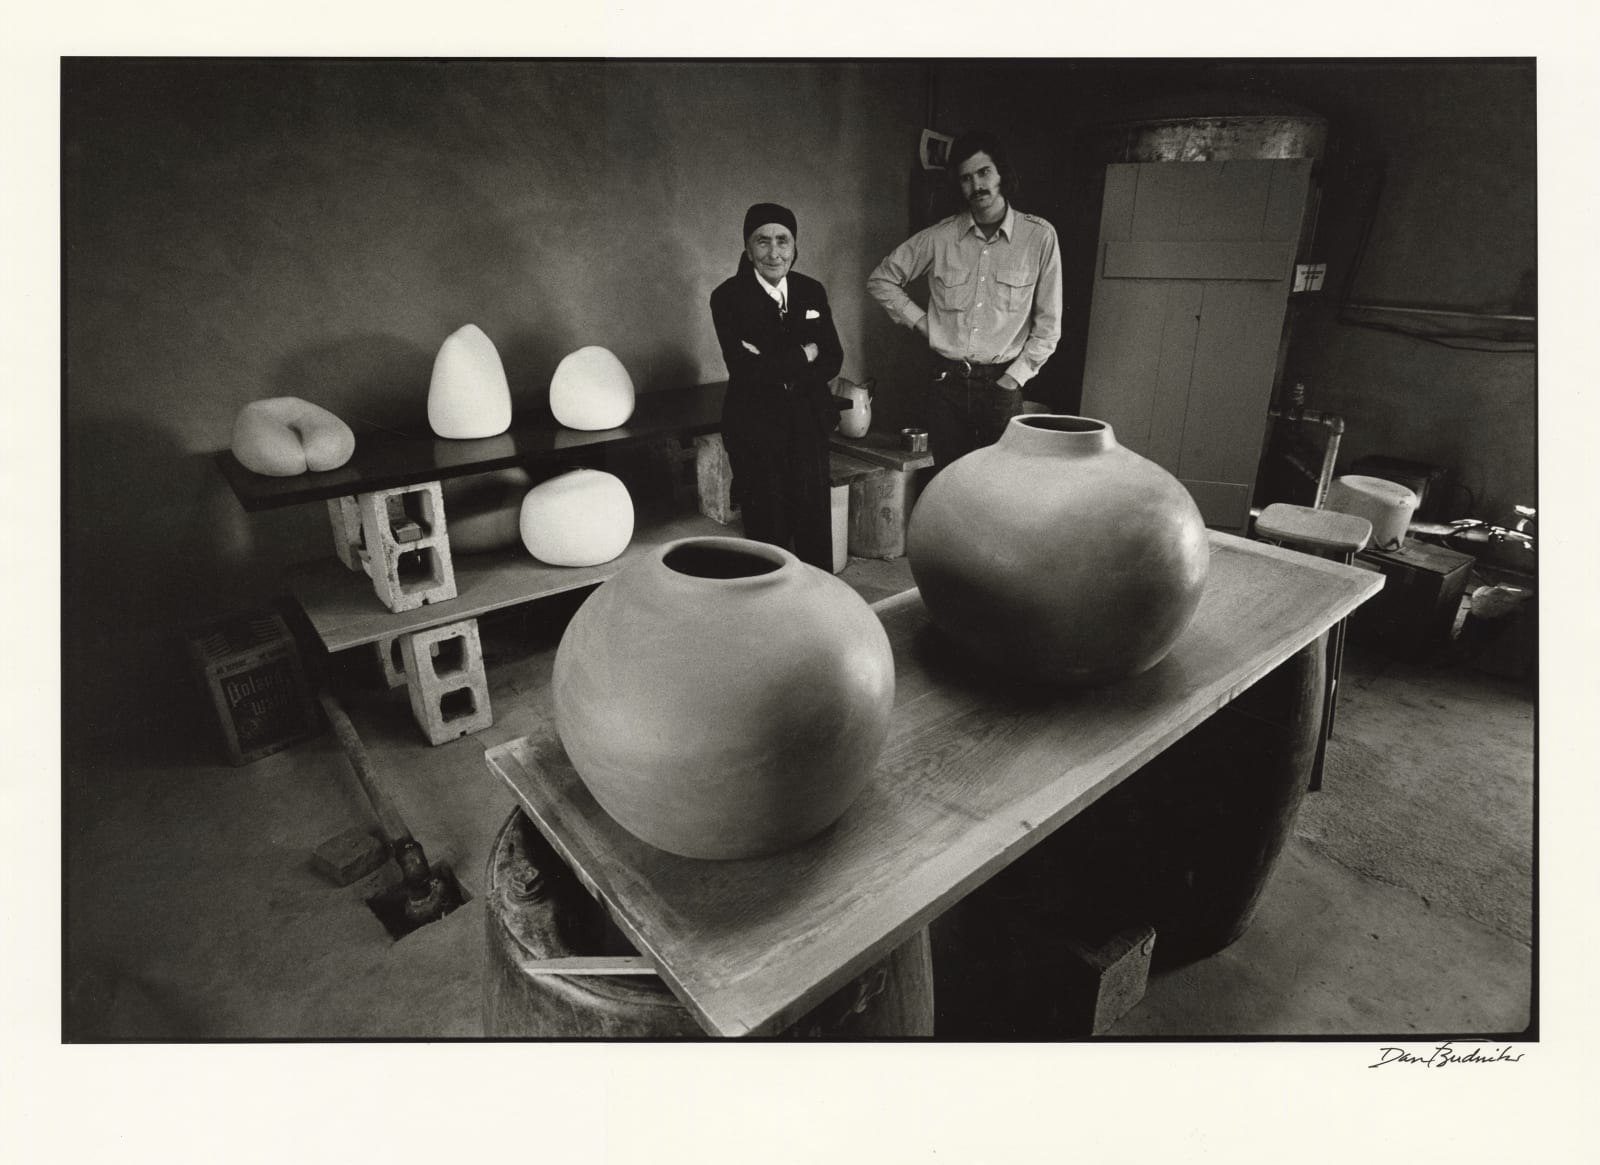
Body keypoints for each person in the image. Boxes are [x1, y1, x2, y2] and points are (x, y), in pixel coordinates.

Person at [867, 130, 1063, 468]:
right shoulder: (940, 237)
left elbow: (1049, 326)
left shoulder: (1039, 237)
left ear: (1001, 173)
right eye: (966, 178)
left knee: (995, 488)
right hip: (947, 386)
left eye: (984, 172)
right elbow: (881, 279)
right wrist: (925, 325)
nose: (977, 185)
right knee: (948, 482)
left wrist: (1012, 379)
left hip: (1003, 385)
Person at [710, 202, 844, 571]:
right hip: (755, 428)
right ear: (748, 249)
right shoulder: (727, 298)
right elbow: (745, 371)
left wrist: (776, 363)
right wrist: (805, 352)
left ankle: (817, 610)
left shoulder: (811, 291)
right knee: (767, 530)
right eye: (762, 241)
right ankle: (770, 615)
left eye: (782, 241)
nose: (774, 252)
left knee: (814, 526)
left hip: (808, 424)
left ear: (795, 247)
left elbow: (833, 357)